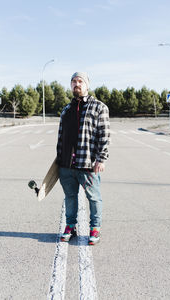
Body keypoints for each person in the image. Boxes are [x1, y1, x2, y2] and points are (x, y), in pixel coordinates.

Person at [56, 72, 110, 245]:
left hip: (87, 163)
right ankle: (71, 226)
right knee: (70, 197)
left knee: (93, 197)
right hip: (67, 165)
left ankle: (95, 228)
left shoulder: (99, 107)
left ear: (87, 85)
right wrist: (59, 161)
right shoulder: (66, 109)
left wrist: (101, 158)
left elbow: (104, 134)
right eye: (73, 81)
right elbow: (60, 137)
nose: (76, 84)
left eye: (80, 81)